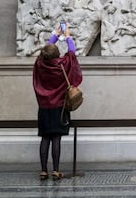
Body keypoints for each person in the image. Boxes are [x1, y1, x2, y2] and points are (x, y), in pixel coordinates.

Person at [33, 24, 82, 180]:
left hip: (44, 107)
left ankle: (43, 170)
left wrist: (54, 34)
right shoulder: (62, 64)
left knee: (45, 138)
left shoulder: (40, 63)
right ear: (57, 54)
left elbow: (45, 52)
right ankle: (55, 170)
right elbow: (72, 53)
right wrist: (67, 36)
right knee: (56, 138)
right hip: (59, 107)